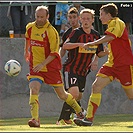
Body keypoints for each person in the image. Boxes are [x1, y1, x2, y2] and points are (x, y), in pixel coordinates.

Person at [73, 3, 133, 126]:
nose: (99, 18)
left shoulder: (117, 23)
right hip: (111, 65)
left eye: (101, 15)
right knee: (96, 86)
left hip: (124, 65)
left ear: (109, 15)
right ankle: (88, 119)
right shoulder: (111, 26)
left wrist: (92, 43)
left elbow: (109, 38)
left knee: (131, 95)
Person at [24, 5, 84, 127]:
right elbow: (27, 38)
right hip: (35, 67)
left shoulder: (51, 32)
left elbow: (54, 53)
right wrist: (26, 51)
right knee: (33, 89)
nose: (39, 19)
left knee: (62, 95)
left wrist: (43, 64)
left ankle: (79, 111)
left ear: (47, 16)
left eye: (42, 17)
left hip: (50, 67)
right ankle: (35, 119)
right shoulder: (30, 27)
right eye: (37, 17)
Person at [56, 7, 109, 125]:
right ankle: (63, 119)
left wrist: (106, 52)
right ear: (80, 19)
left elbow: (99, 53)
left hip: (83, 71)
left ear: (92, 20)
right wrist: (80, 44)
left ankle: (75, 114)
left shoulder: (96, 35)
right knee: (73, 94)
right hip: (71, 68)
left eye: (88, 19)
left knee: (78, 96)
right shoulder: (77, 32)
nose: (85, 21)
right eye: (83, 18)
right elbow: (65, 46)